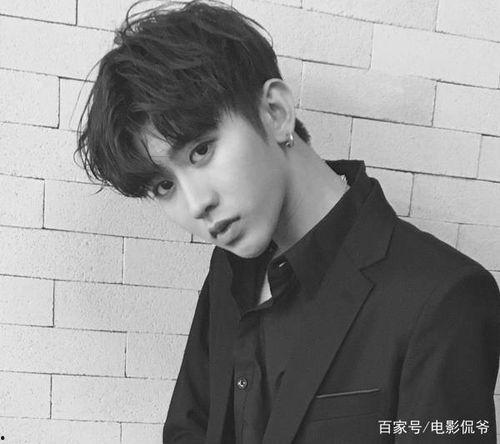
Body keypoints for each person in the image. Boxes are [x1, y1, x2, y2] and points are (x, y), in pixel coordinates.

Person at [75, 1, 500, 442]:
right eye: (165, 186)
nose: (196, 205)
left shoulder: (444, 297)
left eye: (201, 150)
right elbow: (189, 427)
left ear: (275, 113)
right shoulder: (230, 270)